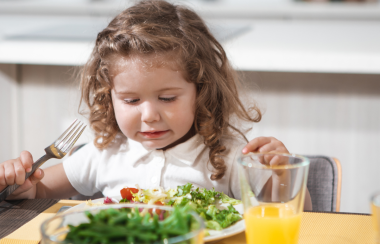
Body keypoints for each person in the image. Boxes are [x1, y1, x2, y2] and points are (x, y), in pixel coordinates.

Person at [0, 0, 311, 210]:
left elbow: (297, 210)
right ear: (109, 96)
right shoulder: (105, 152)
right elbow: (39, 192)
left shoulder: (226, 155)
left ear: (200, 92)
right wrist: (21, 186)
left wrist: (282, 172)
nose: (149, 115)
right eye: (131, 100)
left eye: (167, 98)